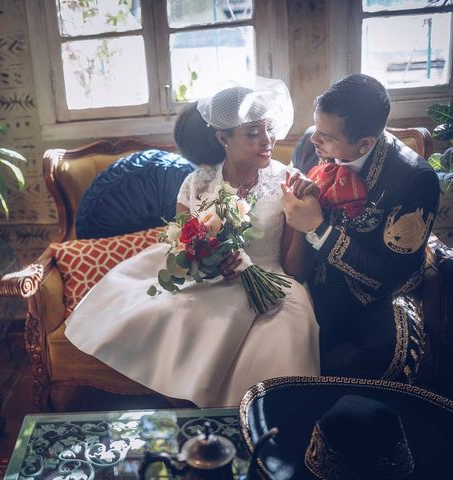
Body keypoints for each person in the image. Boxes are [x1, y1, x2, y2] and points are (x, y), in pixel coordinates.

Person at [65, 77, 320, 407]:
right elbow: (183, 245)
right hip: (209, 279)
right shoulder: (197, 182)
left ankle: (260, 426)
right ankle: (196, 427)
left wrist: (301, 222)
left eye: (268, 128)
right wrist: (207, 258)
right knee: (170, 311)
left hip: (271, 279)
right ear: (222, 138)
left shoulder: (287, 180)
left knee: (283, 334)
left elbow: (294, 268)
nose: (267, 140)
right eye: (253, 133)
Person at [284, 73, 440, 382]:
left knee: (392, 354)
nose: (314, 139)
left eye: (326, 136)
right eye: (316, 127)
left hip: (376, 297)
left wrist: (317, 227)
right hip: (313, 281)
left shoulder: (414, 179)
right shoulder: (309, 144)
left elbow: (388, 276)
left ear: (365, 143)